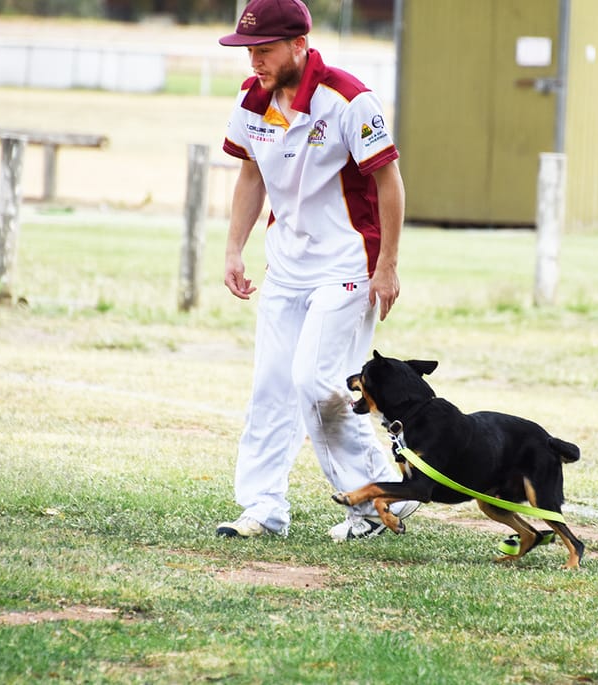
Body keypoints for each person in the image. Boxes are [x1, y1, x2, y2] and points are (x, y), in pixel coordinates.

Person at [214, 0, 417, 541]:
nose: (253, 61)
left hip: (349, 267)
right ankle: (263, 509)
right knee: (271, 387)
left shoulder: (348, 99)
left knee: (317, 383)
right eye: (248, 51)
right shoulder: (251, 100)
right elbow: (251, 177)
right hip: (285, 269)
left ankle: (373, 499)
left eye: (264, 50)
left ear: (299, 45)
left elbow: (389, 183)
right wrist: (234, 250)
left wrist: (389, 267)